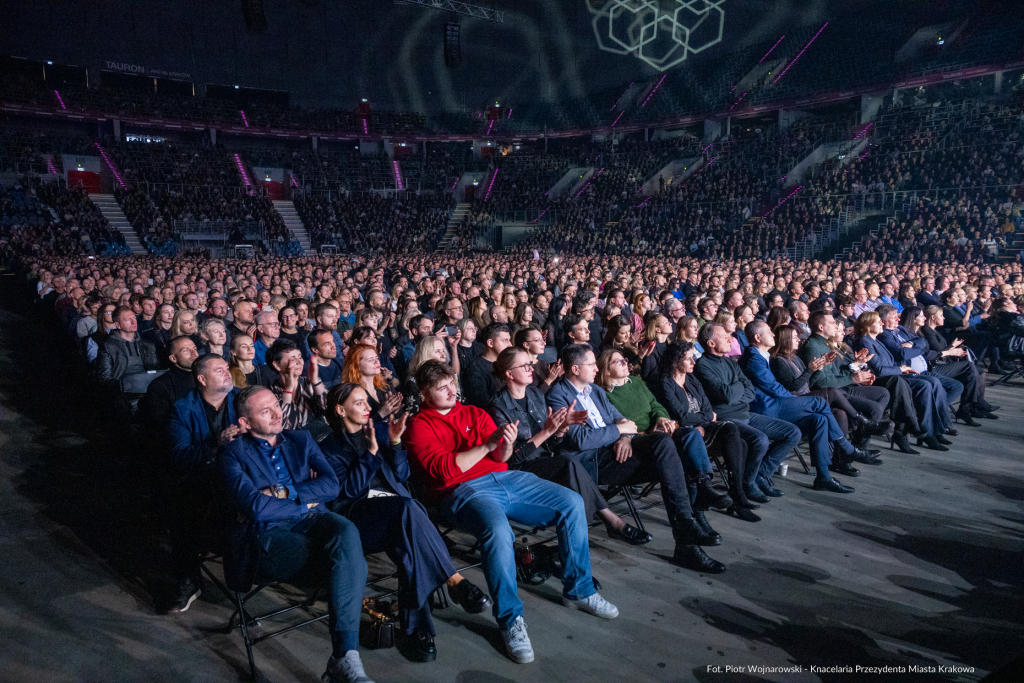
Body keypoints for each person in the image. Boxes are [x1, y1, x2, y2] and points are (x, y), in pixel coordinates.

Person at [404, 360, 619, 665]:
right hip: (462, 491)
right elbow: (445, 470)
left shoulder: (474, 413)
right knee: (498, 530)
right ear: (426, 395)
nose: (452, 390)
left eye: (452, 383)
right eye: (442, 388)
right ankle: (510, 620)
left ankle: (579, 590)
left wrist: (503, 443)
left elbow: (501, 456)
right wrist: (487, 445)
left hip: (506, 478)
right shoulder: (420, 426)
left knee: (570, 502)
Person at [319, 383, 491, 662]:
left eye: (367, 402)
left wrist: (396, 442)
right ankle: (453, 579)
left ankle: (417, 631)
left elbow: (402, 473)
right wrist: (371, 453)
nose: (367, 408)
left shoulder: (378, 431)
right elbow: (347, 492)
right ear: (340, 409)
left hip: (398, 512)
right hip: (359, 518)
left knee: (410, 549)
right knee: (408, 510)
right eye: (359, 403)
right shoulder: (329, 448)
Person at [219, 386, 375, 683]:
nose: (278, 414)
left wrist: (283, 492)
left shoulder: (300, 439)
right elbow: (255, 508)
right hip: (267, 534)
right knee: (347, 563)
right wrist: (305, 498)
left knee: (346, 531)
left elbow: (331, 486)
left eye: (277, 405)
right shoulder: (232, 455)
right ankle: (344, 658)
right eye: (265, 412)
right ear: (245, 423)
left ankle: (345, 656)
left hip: (313, 518)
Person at [547, 345, 726, 573]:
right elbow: (580, 440)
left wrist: (627, 437)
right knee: (672, 462)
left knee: (666, 446)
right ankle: (686, 532)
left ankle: (686, 530)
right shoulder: (557, 395)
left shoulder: (595, 391)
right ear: (574, 369)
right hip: (592, 462)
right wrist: (617, 431)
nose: (595, 369)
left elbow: (623, 420)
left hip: (615, 450)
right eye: (591, 364)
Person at [486, 348, 651, 546]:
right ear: (509, 374)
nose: (531, 368)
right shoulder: (497, 406)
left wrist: (562, 428)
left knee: (570, 464)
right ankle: (610, 520)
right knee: (570, 462)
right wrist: (548, 432)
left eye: (530, 364)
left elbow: (552, 443)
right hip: (522, 467)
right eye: (524, 366)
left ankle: (596, 528)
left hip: (547, 458)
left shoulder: (536, 394)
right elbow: (512, 459)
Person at [596, 348, 733, 526]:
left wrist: (661, 418)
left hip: (659, 431)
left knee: (690, 434)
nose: (626, 363)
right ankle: (694, 515)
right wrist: (631, 434)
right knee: (685, 458)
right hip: (638, 438)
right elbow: (614, 422)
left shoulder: (636, 382)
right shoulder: (602, 393)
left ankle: (704, 485)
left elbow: (655, 405)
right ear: (606, 369)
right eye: (619, 362)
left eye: (625, 360)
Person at [739, 321, 877, 492]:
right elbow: (774, 389)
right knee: (819, 402)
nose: (773, 334)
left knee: (818, 419)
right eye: (769, 331)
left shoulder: (762, 355)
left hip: (775, 403)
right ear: (757, 337)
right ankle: (847, 448)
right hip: (765, 408)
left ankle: (823, 477)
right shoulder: (754, 359)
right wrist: (796, 400)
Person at [165, 355, 242, 613]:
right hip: (201, 476)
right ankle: (189, 577)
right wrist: (215, 444)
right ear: (202, 379)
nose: (227, 373)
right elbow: (180, 456)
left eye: (226, 368)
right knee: (186, 504)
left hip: (241, 472)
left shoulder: (241, 400)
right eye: (219, 370)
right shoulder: (182, 409)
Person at [694, 323, 801, 503]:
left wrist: (735, 389)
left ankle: (759, 475)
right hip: (726, 419)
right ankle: (748, 484)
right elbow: (726, 396)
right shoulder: (703, 366)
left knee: (792, 432)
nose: (730, 339)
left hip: (746, 413)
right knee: (760, 440)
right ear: (711, 343)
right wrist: (737, 388)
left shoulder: (729, 361)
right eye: (724, 336)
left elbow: (749, 391)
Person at [656, 341, 761, 522]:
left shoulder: (692, 380)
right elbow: (681, 417)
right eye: (689, 359)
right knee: (740, 443)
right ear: (675, 361)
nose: (693, 362)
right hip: (684, 434)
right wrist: (704, 419)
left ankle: (736, 491)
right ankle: (735, 496)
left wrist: (703, 421)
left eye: (693, 358)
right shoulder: (666, 383)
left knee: (732, 431)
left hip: (703, 428)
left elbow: (708, 408)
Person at [852, 311, 951, 452]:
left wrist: (901, 368)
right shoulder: (864, 341)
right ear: (867, 325)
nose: (881, 323)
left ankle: (910, 429)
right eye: (878, 321)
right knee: (909, 383)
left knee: (921, 384)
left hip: (893, 378)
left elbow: (892, 361)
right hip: (876, 382)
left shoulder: (876, 340)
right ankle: (911, 426)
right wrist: (900, 369)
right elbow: (879, 370)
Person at [799, 311, 893, 447]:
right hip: (830, 394)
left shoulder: (823, 345)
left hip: (841, 389)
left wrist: (855, 373)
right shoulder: (812, 347)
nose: (835, 326)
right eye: (832, 323)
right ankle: (860, 445)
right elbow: (821, 383)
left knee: (883, 393)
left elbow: (836, 375)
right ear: (821, 327)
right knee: (875, 408)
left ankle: (859, 437)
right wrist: (853, 379)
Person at [875, 304, 965, 435]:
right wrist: (914, 349)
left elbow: (921, 342)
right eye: (894, 316)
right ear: (883, 320)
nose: (897, 319)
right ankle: (930, 429)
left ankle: (937, 422)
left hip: (920, 370)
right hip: (905, 374)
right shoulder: (885, 335)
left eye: (897, 316)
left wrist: (911, 344)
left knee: (954, 385)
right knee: (930, 383)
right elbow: (903, 354)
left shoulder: (899, 329)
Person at [908, 306, 997, 422]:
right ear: (933, 317)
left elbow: (941, 350)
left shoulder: (933, 331)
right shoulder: (927, 331)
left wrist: (952, 347)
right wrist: (952, 348)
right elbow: (938, 351)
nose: (944, 318)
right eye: (941, 315)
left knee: (979, 372)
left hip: (942, 362)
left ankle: (970, 406)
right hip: (936, 366)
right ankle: (968, 407)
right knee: (969, 367)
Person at [268, 339, 328, 431]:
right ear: (277, 365)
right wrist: (288, 391)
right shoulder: (271, 393)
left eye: (300, 357)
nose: (299, 362)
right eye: (292, 359)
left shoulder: (309, 382)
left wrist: (316, 381)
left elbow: (328, 409)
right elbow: (284, 425)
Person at [142, 335, 199, 428]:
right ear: (173, 358)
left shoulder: (205, 377)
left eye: (195, 349)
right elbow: (162, 423)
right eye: (186, 350)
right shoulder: (160, 385)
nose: (194, 353)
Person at [98, 306, 160, 383]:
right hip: (122, 389)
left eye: (134, 318)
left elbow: (155, 371)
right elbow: (105, 377)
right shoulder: (108, 346)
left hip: (147, 386)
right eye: (128, 320)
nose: (134, 322)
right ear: (118, 325)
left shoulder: (147, 345)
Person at [342, 343, 404, 421]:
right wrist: (381, 414)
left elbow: (400, 417)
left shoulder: (385, 386)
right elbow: (358, 429)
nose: (376, 362)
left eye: (376, 358)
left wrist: (395, 411)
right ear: (357, 366)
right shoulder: (352, 394)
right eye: (370, 360)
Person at [463, 322, 512, 408]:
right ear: (490, 343)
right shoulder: (475, 370)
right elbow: (483, 406)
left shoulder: (508, 363)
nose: (510, 345)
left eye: (509, 340)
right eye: (505, 340)